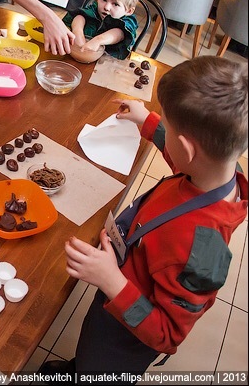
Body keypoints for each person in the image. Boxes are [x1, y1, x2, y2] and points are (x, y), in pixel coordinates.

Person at [44, 56, 248, 380]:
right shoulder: (221, 172)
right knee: (87, 354)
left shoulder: (201, 252)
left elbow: (167, 334)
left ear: (188, 147)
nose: (164, 126)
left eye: (169, 123)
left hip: (129, 332)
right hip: (125, 281)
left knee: (98, 368)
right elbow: (185, 162)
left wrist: (111, 280)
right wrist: (148, 122)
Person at [63, 0, 140, 61]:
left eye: (115, 4)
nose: (107, 7)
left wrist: (98, 40)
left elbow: (119, 33)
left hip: (108, 64)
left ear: (129, 11)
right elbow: (80, 16)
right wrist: (77, 31)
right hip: (80, 58)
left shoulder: (128, 21)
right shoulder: (95, 9)